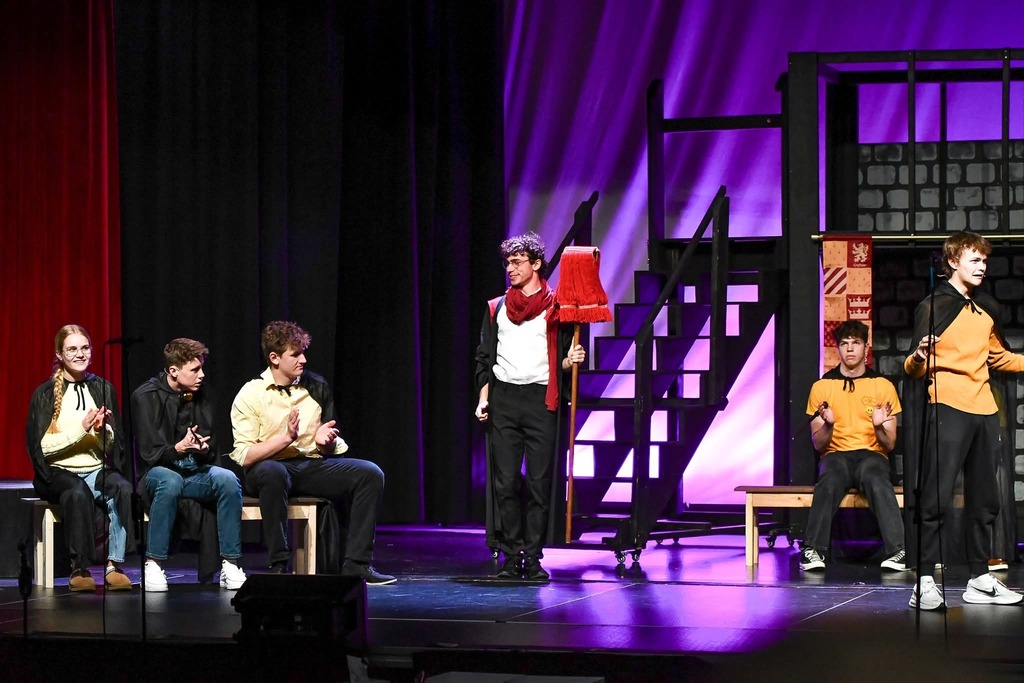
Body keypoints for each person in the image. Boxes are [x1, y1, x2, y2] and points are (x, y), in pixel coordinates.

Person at [904, 230, 1024, 610]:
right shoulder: (934, 306)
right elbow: (911, 367)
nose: (982, 267)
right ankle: (923, 579)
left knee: (985, 499)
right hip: (948, 408)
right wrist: (921, 356)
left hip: (984, 411)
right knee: (937, 497)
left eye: (985, 261)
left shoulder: (985, 307)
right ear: (953, 262)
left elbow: (999, 357)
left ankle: (979, 578)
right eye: (975, 260)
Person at [229, 321, 395, 585]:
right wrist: (286, 438)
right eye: (295, 354)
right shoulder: (251, 394)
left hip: (307, 466)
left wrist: (324, 443)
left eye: (303, 352)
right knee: (273, 472)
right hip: (265, 470)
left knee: (370, 473)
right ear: (274, 358)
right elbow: (246, 455)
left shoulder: (317, 386)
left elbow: (329, 442)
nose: (303, 360)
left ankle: (356, 563)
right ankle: (279, 564)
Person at [474, 232, 586, 581]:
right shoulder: (497, 308)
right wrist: (483, 399)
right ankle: (509, 556)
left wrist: (572, 360)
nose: (511, 268)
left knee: (538, 484)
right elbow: (484, 359)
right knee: (505, 483)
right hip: (505, 401)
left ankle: (533, 557)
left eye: (518, 262)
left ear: (536, 264)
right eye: (508, 262)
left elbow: (563, 362)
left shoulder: (557, 309)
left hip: (541, 400)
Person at [131, 338, 247, 592]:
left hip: (193, 473)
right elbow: (149, 454)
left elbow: (209, 443)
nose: (201, 375)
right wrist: (178, 448)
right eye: (195, 370)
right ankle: (154, 563)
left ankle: (230, 563)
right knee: (169, 480)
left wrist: (203, 449)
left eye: (202, 368)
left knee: (227, 479)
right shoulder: (145, 396)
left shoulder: (204, 395)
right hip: (155, 474)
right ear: (173, 370)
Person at [26, 324, 134, 591]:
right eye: (72, 349)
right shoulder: (45, 394)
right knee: (77, 491)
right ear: (60, 354)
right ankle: (79, 566)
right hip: (57, 472)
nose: (80, 353)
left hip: (94, 468)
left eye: (85, 347)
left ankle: (113, 564)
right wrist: (81, 428)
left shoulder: (103, 388)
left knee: (121, 487)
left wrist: (100, 431)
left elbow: (111, 447)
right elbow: (42, 448)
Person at [800, 320, 906, 573]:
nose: (850, 349)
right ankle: (813, 549)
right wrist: (828, 425)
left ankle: (898, 551)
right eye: (844, 344)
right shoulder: (822, 387)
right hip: (836, 454)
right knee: (830, 477)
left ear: (865, 348)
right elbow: (818, 444)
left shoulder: (882, 386)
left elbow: (889, 444)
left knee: (876, 476)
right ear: (838, 348)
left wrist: (880, 426)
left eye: (856, 343)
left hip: (872, 454)